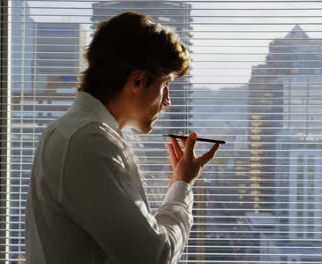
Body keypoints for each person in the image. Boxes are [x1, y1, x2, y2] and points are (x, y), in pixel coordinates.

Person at [25, 12, 220, 264]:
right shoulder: (88, 142)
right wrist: (182, 184)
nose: (167, 101)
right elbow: (154, 256)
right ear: (137, 81)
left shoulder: (78, 132)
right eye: (164, 86)